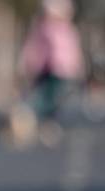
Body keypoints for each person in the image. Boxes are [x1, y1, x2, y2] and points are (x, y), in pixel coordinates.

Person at [18, 0, 85, 146]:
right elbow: (33, 48)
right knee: (45, 97)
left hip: (62, 70)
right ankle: (41, 121)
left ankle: (47, 121)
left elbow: (73, 51)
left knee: (56, 98)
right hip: (45, 69)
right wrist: (28, 64)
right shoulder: (42, 29)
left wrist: (77, 67)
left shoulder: (67, 30)